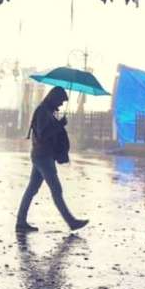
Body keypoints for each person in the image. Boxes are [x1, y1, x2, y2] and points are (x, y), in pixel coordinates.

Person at [15, 86, 88, 233]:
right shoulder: (43, 111)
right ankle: (71, 221)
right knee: (56, 189)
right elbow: (43, 134)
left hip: (41, 155)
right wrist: (60, 124)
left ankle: (21, 221)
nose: (61, 104)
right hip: (43, 156)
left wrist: (58, 123)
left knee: (32, 189)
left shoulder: (47, 111)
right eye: (60, 101)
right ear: (54, 98)